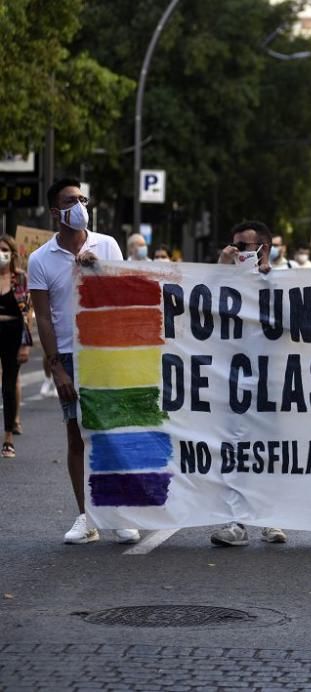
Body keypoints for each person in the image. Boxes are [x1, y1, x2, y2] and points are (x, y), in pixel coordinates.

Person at [28, 178, 140, 545]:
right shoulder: (39, 259)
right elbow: (43, 317)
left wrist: (97, 272)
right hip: (70, 356)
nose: (79, 205)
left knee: (113, 436)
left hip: (106, 353)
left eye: (82, 199)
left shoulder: (106, 246)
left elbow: (126, 293)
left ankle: (120, 512)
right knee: (77, 438)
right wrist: (55, 366)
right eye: (70, 200)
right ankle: (86, 516)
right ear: (55, 211)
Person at [213, 220, 288, 546]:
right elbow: (201, 309)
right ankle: (237, 523)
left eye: (244, 247)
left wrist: (268, 276)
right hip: (233, 381)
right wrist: (221, 267)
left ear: (264, 249)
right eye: (234, 245)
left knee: (270, 453)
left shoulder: (287, 279)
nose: (237, 252)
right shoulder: (226, 279)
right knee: (236, 452)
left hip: (274, 382)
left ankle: (272, 520)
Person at [0, 235, 32, 458]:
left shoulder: (20, 279)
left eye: (4, 250)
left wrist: (25, 345)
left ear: (12, 253)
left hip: (13, 335)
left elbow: (27, 315)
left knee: (9, 385)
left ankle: (8, 438)